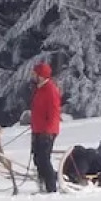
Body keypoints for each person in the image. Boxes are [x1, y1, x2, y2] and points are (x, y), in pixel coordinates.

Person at [30, 62, 62, 193]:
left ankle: (51, 188)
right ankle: (43, 185)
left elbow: (54, 112)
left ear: (41, 76)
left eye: (35, 74)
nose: (33, 76)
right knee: (37, 159)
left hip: (47, 132)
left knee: (44, 160)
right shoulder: (39, 89)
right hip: (38, 130)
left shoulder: (50, 89)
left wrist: (48, 130)